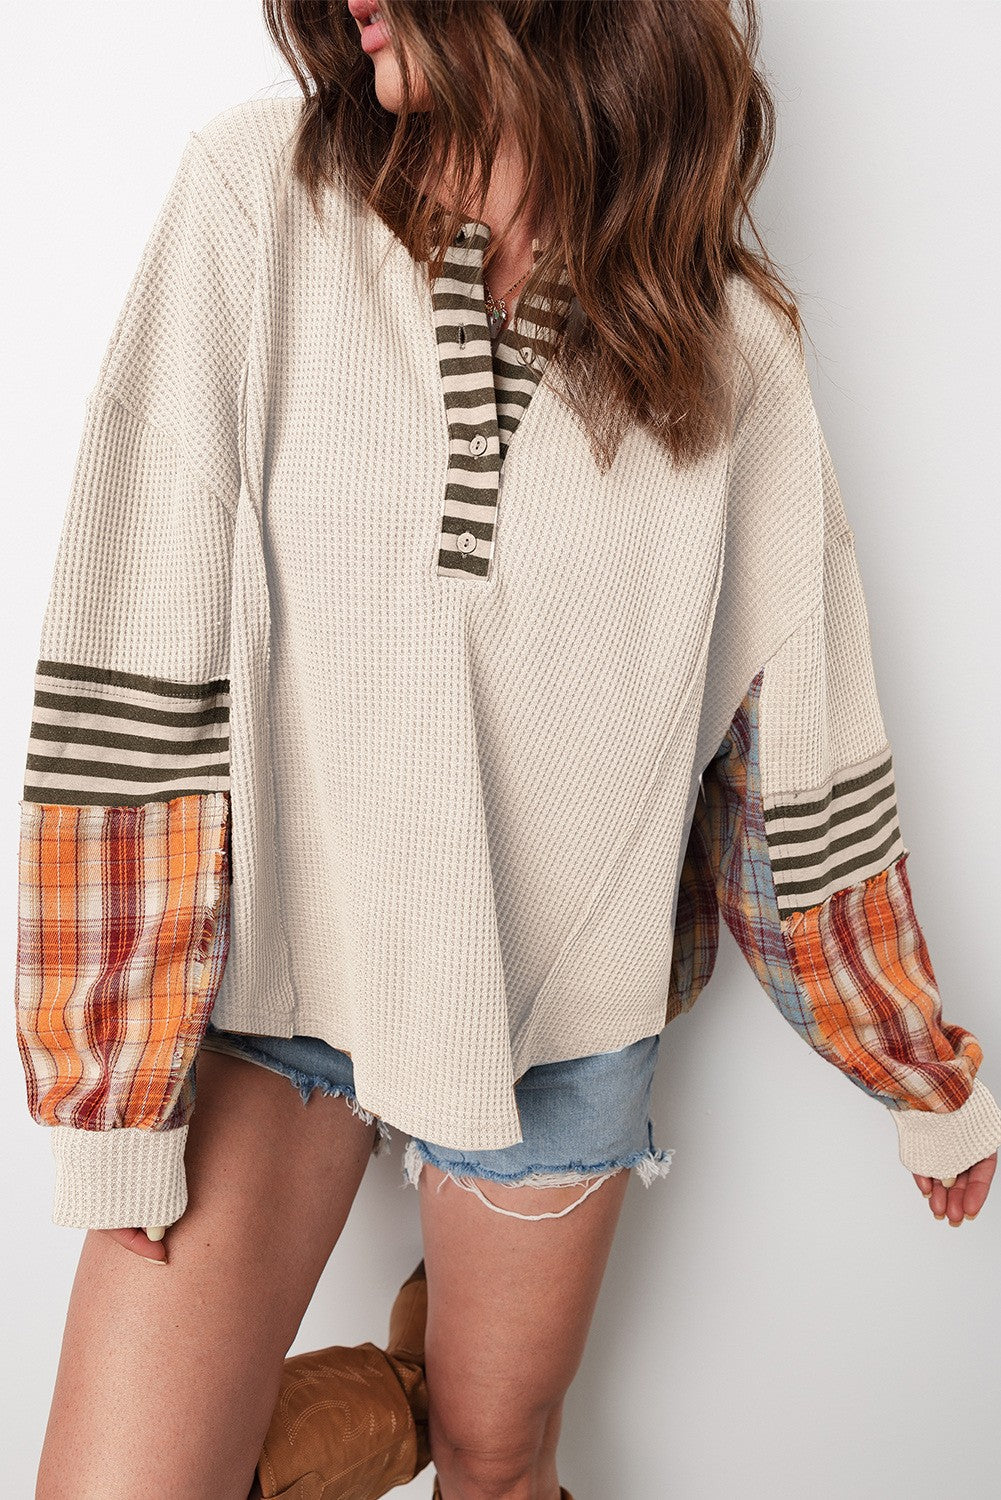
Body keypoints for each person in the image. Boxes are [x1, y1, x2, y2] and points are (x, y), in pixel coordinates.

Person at [17, 2, 1001, 1498]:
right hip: (279, 981)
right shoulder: (255, 201)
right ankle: (393, 1393)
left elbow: (795, 769)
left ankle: (435, 1397)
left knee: (499, 1461)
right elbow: (131, 672)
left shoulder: (729, 349)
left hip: (555, 1018)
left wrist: (919, 1070)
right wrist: (112, 1090)